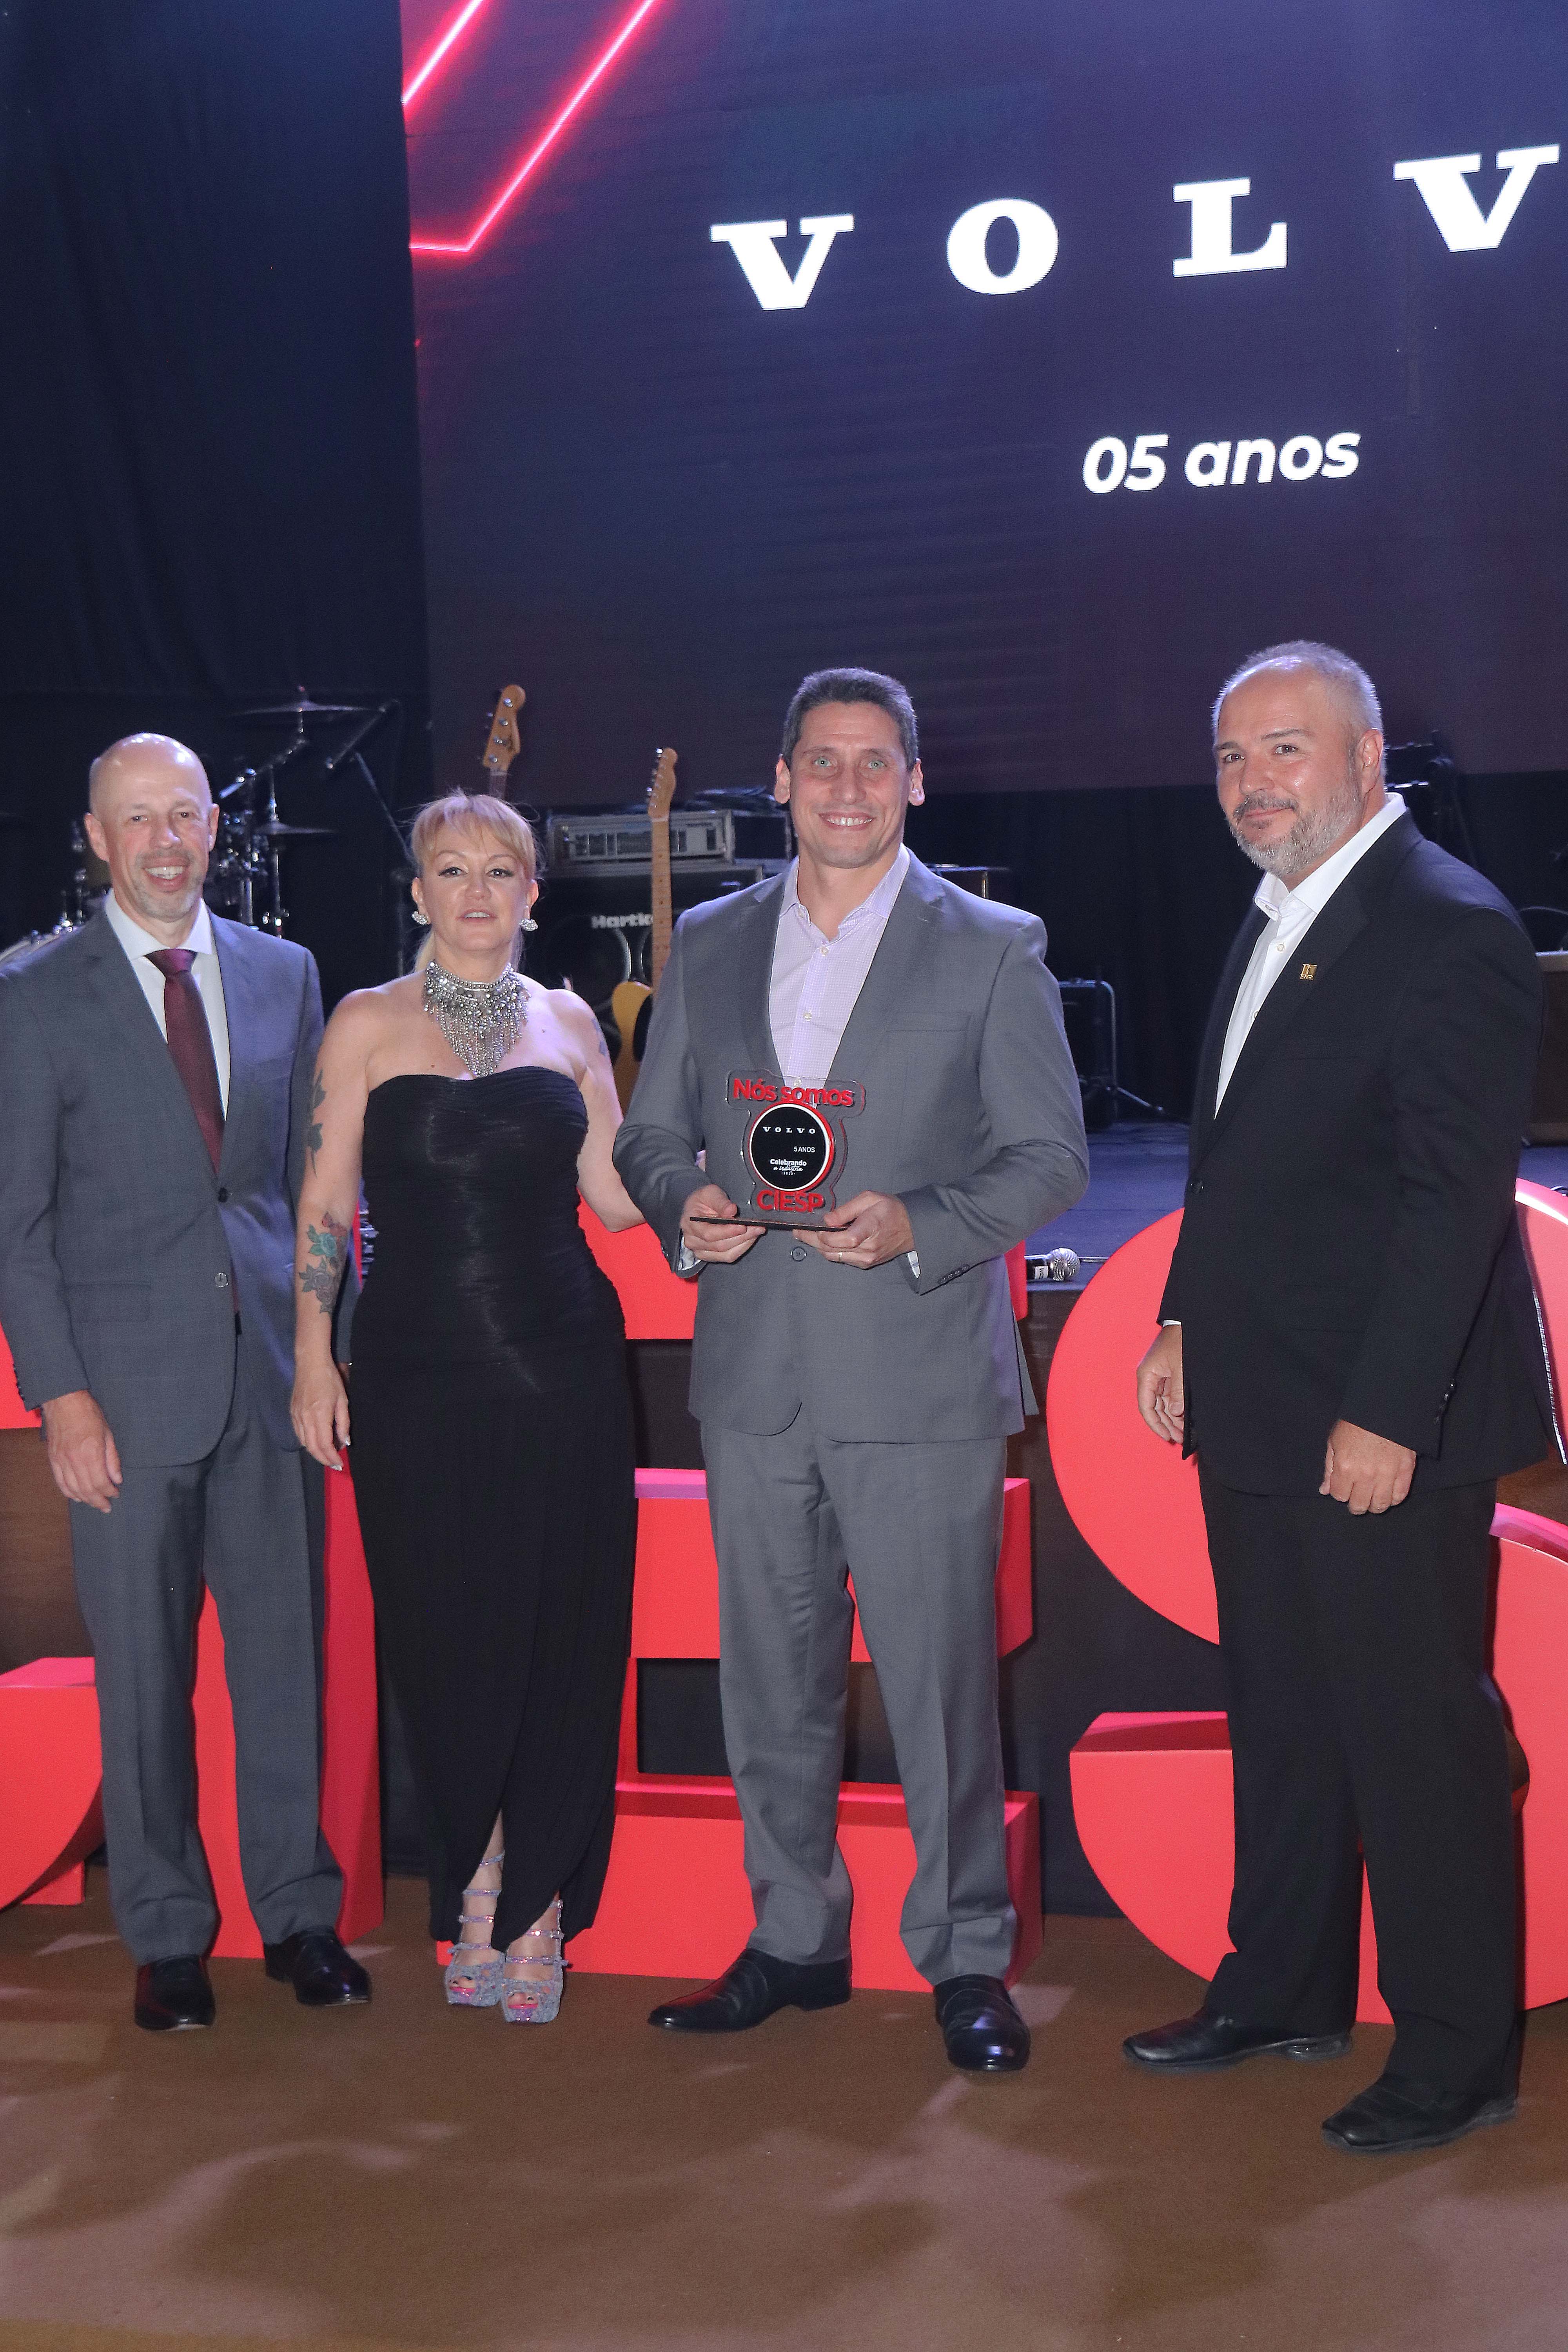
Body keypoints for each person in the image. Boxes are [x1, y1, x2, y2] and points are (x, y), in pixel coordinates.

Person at [613, 669, 1087, 2073]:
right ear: (781, 778)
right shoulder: (710, 942)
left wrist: (923, 1224)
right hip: (754, 1372)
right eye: (822, 761)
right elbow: (649, 1135)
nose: (847, 788)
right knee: (771, 1685)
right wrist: (681, 1205)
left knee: (940, 1686)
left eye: (876, 763)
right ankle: (795, 1940)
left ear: (916, 782)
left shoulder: (993, 947)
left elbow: (1051, 1156)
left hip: (920, 1374)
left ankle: (965, 1956)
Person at [1128, 642, 1556, 2154]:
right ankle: (1283, 1989)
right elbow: (1235, 1159)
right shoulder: (1276, 916)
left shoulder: (1448, 926)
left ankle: (1457, 2052)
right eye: (1233, 756)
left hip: (1377, 1421)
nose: (1252, 782)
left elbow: (1454, 1203)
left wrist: (1389, 1414)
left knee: (1416, 1737)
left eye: (1286, 749)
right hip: (1257, 1396)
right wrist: (1182, 1315)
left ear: (1369, 760)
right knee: (1288, 1716)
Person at [0, 734, 367, 2031]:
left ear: (216, 827)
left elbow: (318, 1182)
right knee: (145, 1680)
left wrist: (324, 1346)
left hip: (273, 1377)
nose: (165, 840)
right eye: (137, 819)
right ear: (97, 839)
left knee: (283, 1666)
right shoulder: (32, 994)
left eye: (184, 815)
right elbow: (16, 1227)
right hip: (123, 1397)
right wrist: (63, 1400)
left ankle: (299, 1916)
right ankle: (165, 1936)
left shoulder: (284, 973)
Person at [292, 792, 641, 2024]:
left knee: (560, 1634)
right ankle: (477, 1873)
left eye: (502, 871)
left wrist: (735, 1193)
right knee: (443, 1636)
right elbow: (325, 1204)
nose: (479, 892)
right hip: (414, 1377)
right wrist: (314, 1356)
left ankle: (538, 1906)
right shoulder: (365, 1022)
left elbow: (615, 1194)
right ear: (419, 892)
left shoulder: (572, 1023)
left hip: (566, 1371)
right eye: (453, 870)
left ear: (534, 893)